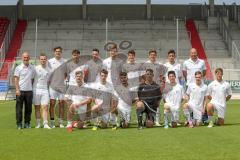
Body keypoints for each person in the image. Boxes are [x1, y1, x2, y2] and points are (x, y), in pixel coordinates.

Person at [142, 49, 167, 126]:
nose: (153, 56)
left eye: (154, 55)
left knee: (157, 103)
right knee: (147, 103)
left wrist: (162, 84)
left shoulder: (159, 65)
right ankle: (147, 119)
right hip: (147, 87)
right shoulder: (145, 64)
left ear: (156, 56)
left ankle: (157, 121)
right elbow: (143, 76)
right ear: (149, 56)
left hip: (156, 87)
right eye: (151, 55)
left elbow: (162, 76)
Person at [102, 44, 123, 128]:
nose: (112, 52)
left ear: (116, 52)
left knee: (114, 104)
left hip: (116, 86)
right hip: (107, 85)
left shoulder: (120, 62)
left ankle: (114, 121)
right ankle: (106, 120)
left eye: (114, 51)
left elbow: (121, 74)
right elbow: (103, 73)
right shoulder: (105, 61)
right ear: (109, 52)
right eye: (111, 51)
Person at [14, 52, 35, 129]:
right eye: (24, 57)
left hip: (29, 91)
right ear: (22, 58)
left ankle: (27, 123)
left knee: (28, 109)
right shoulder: (18, 68)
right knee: (19, 109)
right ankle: (19, 124)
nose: (26, 59)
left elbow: (32, 79)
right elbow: (16, 79)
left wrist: (31, 87)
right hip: (20, 91)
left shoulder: (32, 68)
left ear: (29, 58)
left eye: (27, 57)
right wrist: (17, 89)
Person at [48, 46, 66, 128]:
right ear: (54, 52)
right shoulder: (50, 62)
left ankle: (61, 122)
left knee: (62, 104)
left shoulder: (65, 61)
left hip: (61, 86)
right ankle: (52, 122)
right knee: (52, 103)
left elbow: (66, 73)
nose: (58, 52)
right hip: (52, 86)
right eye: (56, 51)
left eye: (59, 51)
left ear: (61, 52)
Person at [33, 53, 51, 129]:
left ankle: (45, 123)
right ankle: (38, 123)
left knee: (45, 106)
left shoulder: (49, 69)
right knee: (37, 107)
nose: (43, 60)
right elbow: (32, 79)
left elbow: (50, 81)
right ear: (39, 60)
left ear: (46, 60)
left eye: (44, 59)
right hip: (36, 89)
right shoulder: (35, 68)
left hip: (45, 90)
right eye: (41, 59)